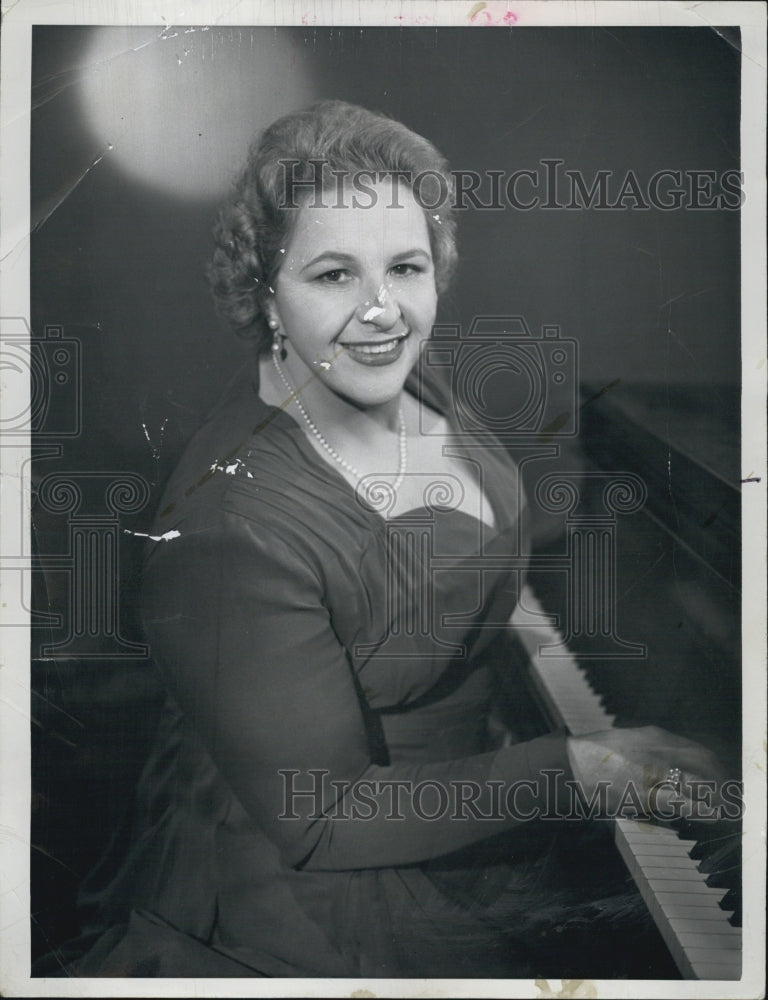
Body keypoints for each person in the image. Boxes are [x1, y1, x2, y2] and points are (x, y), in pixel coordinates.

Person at [70, 101, 723, 979]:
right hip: (336, 881)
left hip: (458, 786)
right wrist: (576, 767)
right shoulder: (229, 533)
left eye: (406, 267)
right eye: (334, 274)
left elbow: (443, 558)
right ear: (264, 290)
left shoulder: (401, 376)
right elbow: (324, 817)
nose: (384, 311)